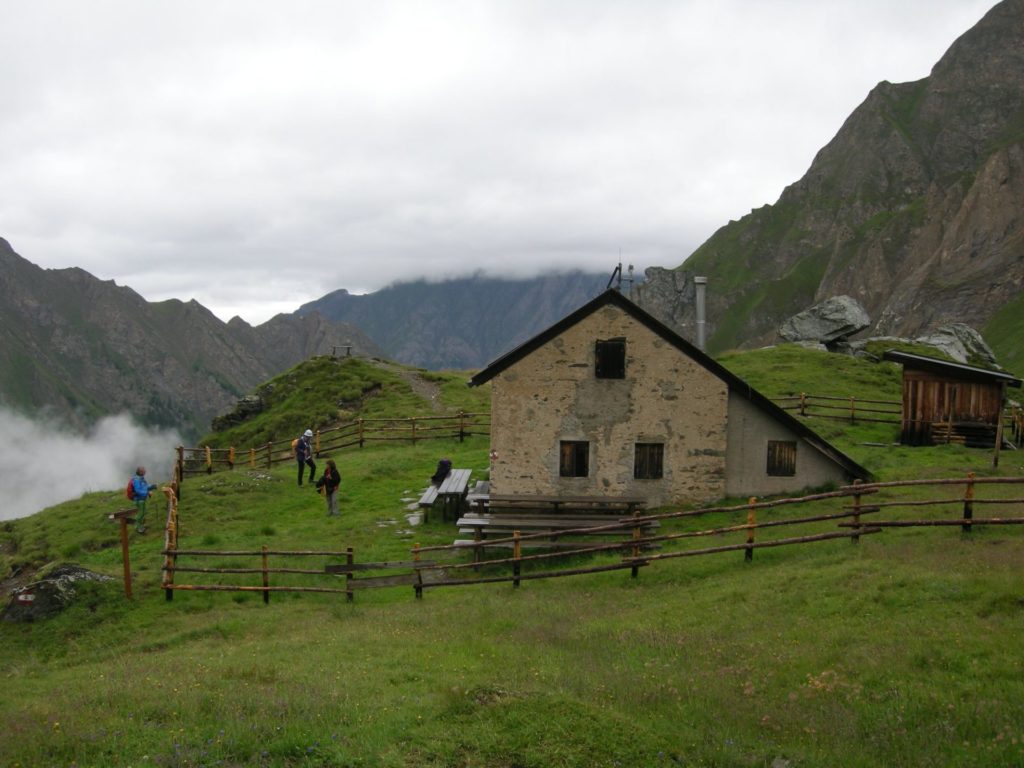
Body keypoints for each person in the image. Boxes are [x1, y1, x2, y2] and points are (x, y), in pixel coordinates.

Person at [131, 466, 157, 534]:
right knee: (140, 514)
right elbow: (138, 490)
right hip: (139, 500)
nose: (145, 471)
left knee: (143, 513)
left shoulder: (141, 478)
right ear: (140, 472)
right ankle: (137, 527)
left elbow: (145, 487)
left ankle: (140, 526)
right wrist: (147, 493)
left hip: (142, 499)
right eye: (143, 471)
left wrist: (152, 486)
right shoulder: (136, 480)